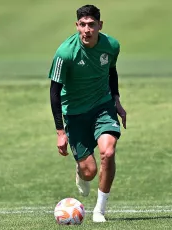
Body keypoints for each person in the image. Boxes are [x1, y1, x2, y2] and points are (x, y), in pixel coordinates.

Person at [48, 5, 127, 223]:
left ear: (100, 26)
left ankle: (99, 210)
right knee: (89, 172)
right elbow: (54, 92)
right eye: (82, 25)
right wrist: (60, 131)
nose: (86, 30)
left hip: (103, 107)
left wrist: (116, 100)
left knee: (108, 153)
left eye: (91, 25)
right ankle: (81, 169)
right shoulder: (65, 53)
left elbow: (111, 71)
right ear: (77, 26)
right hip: (74, 114)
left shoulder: (111, 46)